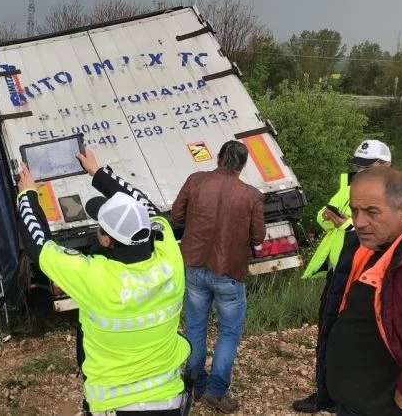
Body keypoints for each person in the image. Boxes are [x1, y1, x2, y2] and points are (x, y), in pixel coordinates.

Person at [16, 148, 191, 415]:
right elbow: (143, 204)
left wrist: (27, 194)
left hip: (114, 407)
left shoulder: (94, 277)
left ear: (106, 240)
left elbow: (38, 245)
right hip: (169, 401)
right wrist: (99, 173)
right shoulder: (169, 256)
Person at [293, 139, 392, 413]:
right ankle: (326, 393)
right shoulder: (350, 188)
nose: (360, 172)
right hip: (340, 272)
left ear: (385, 165)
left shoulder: (395, 197)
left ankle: (351, 398)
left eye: (366, 167)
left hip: (370, 278)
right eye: (357, 167)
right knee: (329, 334)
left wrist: (348, 225)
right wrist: (330, 219)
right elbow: (323, 218)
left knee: (366, 340)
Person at [170, 140, 265, 414]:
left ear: (219, 158)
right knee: (229, 332)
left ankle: (194, 386)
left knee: (196, 328)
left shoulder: (196, 181)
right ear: (243, 164)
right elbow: (258, 236)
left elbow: (177, 214)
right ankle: (215, 391)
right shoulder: (252, 196)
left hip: (194, 265)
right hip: (229, 272)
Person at [325, 167, 402, 416]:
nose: (359, 222)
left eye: (372, 212)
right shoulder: (378, 248)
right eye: (355, 211)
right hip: (357, 401)